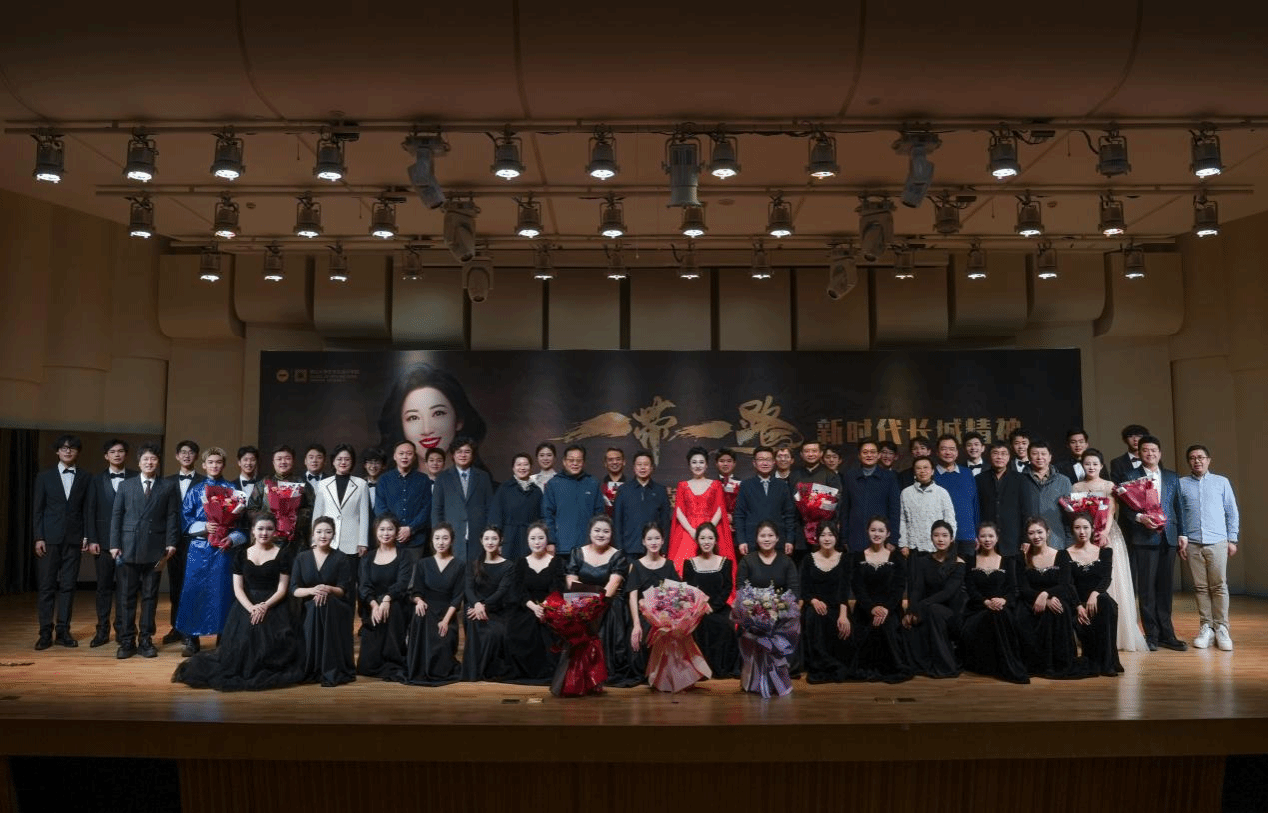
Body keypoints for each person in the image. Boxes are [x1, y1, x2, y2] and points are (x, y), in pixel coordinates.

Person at [172, 514, 304, 691]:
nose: (264, 533)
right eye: (260, 529)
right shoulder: (242, 554)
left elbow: (282, 589)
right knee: (240, 648)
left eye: (269, 529)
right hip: (247, 605)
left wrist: (264, 606)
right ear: (253, 531)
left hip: (273, 604)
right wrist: (251, 608)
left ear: (275, 532)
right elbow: (238, 588)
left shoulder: (283, 554)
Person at [1070, 449, 1148, 652]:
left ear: (1101, 466)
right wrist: (1086, 533)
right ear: (1083, 465)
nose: (1091, 467)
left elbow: (1111, 511)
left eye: (1095, 464)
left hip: (1107, 535)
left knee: (1111, 579)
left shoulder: (1108, 485)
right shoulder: (1076, 486)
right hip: (1084, 535)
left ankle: (1117, 634)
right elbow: (1077, 514)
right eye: (1087, 464)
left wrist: (1103, 533)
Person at [109, 444, 181, 659]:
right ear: (139, 462)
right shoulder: (126, 485)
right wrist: (114, 544)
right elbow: (117, 516)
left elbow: (172, 516)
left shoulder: (167, 486)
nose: (149, 462)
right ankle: (127, 640)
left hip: (155, 548)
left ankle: (146, 640)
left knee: (150, 597)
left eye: (153, 459)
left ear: (158, 462)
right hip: (128, 547)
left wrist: (171, 542)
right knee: (126, 597)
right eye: (145, 459)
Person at [1119, 435, 1186, 652]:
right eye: (1146, 450)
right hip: (1144, 537)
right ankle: (1152, 635)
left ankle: (1168, 634)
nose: (1150, 454)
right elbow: (1126, 510)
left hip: (1169, 537)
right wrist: (1141, 518)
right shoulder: (1130, 476)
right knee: (1147, 589)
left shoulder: (1172, 476)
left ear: (1160, 453)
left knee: (1165, 589)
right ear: (1139, 453)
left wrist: (1183, 534)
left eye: (1154, 450)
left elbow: (1178, 507)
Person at [176, 447, 245, 657]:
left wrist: (231, 538)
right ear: (204, 465)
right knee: (193, 591)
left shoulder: (234, 490)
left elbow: (242, 524)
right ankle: (191, 639)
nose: (215, 465)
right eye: (211, 462)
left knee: (223, 592)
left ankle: (224, 639)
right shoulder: (196, 490)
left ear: (224, 465)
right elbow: (185, 518)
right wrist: (204, 527)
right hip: (198, 548)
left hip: (223, 548)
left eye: (218, 462)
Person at [1178, 444, 1240, 651]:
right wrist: (1182, 540)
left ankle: (1222, 627)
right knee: (1201, 587)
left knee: (1219, 586)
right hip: (1193, 543)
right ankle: (1206, 627)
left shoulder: (1222, 482)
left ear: (1208, 460)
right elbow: (1179, 515)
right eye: (1193, 458)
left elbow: (1231, 511)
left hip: (1218, 541)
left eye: (1201, 457)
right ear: (1189, 462)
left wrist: (1232, 539)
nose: (1197, 461)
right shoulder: (1181, 484)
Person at [377, 362, 488, 473]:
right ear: (401, 426)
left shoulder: (483, 481)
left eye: (438, 413)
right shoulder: (389, 481)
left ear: (459, 420)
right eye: (413, 418)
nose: (427, 430)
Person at [564, 514, 633, 686]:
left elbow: (613, 584)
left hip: (608, 604)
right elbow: (571, 581)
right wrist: (584, 603)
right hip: (581, 602)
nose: (601, 534)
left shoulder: (618, 555)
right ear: (590, 532)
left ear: (611, 534)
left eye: (606, 531)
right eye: (597, 530)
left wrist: (595, 605)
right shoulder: (577, 552)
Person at [1015, 517, 1087, 679]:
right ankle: (1036, 663)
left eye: (1039, 532)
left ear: (1048, 533)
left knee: (1058, 610)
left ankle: (1056, 663)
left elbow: (1065, 585)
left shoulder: (1061, 555)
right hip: (1030, 601)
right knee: (1022, 616)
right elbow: (1023, 588)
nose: (1036, 536)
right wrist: (1041, 599)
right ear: (1027, 535)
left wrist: (1045, 595)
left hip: (1056, 597)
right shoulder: (1022, 557)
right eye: (1031, 533)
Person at [960, 522, 1029, 684]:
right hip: (977, 610)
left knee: (999, 614)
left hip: (1001, 608)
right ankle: (1002, 666)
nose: (987, 539)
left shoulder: (1007, 561)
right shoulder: (970, 560)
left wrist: (1003, 600)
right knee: (995, 615)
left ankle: (1007, 666)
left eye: (991, 536)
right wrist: (985, 602)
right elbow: (970, 589)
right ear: (978, 538)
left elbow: (1013, 590)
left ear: (997, 538)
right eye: (983, 536)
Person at [290, 517, 355, 687]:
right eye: (319, 532)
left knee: (324, 604)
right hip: (307, 605)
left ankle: (329, 666)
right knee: (315, 606)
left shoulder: (341, 557)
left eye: (328, 532)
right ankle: (313, 666)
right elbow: (294, 589)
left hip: (335, 605)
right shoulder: (302, 557)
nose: (323, 535)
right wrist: (313, 591)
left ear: (334, 534)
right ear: (313, 534)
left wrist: (327, 589)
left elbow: (343, 590)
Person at [84, 439, 136, 648]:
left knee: (126, 590)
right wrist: (92, 539)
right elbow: (90, 510)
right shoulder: (96, 480)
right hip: (103, 543)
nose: (117, 454)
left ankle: (123, 631)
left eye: (121, 451)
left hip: (129, 543)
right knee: (103, 589)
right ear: (106, 456)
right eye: (112, 452)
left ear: (126, 454)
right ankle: (102, 631)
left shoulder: (136, 477)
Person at [849, 518, 912, 683]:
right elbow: (857, 587)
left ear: (888, 534)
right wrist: (871, 608)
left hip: (890, 608)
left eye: (881, 531)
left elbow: (899, 588)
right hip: (865, 608)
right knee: (868, 626)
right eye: (873, 530)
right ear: (867, 532)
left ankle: (890, 666)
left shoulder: (897, 557)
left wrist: (886, 608)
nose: (876, 534)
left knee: (887, 625)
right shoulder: (857, 557)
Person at [902, 520, 965, 678]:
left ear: (951, 539)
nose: (940, 539)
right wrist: (911, 611)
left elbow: (947, 593)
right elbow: (917, 589)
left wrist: (921, 606)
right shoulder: (923, 561)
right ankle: (922, 664)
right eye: (936, 535)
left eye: (944, 535)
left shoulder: (959, 564)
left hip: (951, 613)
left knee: (933, 610)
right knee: (915, 616)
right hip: (928, 608)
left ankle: (946, 666)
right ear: (931, 538)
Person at [506, 522, 566, 684]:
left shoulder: (557, 562)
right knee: (519, 630)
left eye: (540, 538)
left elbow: (557, 589)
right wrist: (534, 607)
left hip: (550, 607)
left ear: (547, 540)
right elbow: (518, 590)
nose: (537, 542)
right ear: (528, 541)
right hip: (526, 607)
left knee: (550, 633)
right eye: (533, 538)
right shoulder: (520, 563)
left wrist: (544, 606)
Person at [1064, 514, 1122, 676]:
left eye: (1085, 527)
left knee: (1106, 602)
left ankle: (1108, 663)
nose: (1082, 532)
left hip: (1098, 599)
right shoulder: (1065, 554)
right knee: (1102, 603)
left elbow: (1106, 578)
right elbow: (1068, 584)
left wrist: (1094, 594)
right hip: (1076, 602)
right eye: (1077, 528)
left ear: (1092, 529)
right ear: (1072, 530)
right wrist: (1078, 606)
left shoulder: (1105, 552)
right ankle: (1096, 660)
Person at [405, 523, 464, 686]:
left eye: (445, 538)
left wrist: (445, 621)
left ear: (451, 541)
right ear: (432, 541)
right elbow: (416, 591)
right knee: (419, 617)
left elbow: (457, 598)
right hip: (427, 608)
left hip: (447, 611)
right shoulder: (423, 563)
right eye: (437, 538)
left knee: (443, 639)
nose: (441, 542)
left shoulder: (459, 565)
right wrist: (418, 601)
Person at [624, 523, 680, 687]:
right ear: (643, 542)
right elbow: (632, 596)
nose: (653, 542)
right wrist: (636, 624)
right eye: (649, 539)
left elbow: (678, 593)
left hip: (666, 615)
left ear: (662, 541)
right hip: (645, 615)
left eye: (657, 538)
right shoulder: (636, 565)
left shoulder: (669, 565)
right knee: (642, 635)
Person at [357, 514, 411, 681]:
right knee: (366, 666)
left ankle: (394, 658)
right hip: (373, 605)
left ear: (396, 532)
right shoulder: (367, 557)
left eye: (390, 529)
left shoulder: (404, 555)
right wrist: (374, 604)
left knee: (394, 609)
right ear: (376, 532)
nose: (386, 533)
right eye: (382, 529)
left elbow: (402, 583)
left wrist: (387, 599)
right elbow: (364, 585)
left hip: (395, 603)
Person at [163, 439, 206, 647]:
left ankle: (190, 630)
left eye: (191, 452)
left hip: (196, 541)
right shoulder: (166, 481)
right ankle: (176, 627)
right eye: (183, 452)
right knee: (175, 585)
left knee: (192, 586)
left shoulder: (204, 481)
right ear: (177, 456)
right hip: (173, 541)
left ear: (196, 456)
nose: (187, 455)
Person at [682, 522, 739, 679]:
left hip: (718, 607)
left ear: (715, 540)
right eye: (702, 538)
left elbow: (727, 587)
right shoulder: (689, 563)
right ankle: (700, 670)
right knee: (699, 625)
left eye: (710, 538)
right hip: (697, 608)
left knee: (724, 625)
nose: (706, 542)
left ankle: (722, 667)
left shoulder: (725, 562)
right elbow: (688, 589)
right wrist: (700, 606)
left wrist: (713, 606)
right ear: (697, 540)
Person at [798, 523, 853, 683]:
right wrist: (814, 600)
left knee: (841, 623)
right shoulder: (808, 559)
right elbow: (804, 588)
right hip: (815, 605)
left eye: (830, 535)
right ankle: (820, 665)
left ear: (836, 537)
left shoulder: (845, 559)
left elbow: (844, 590)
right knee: (814, 617)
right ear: (817, 538)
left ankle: (837, 664)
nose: (827, 539)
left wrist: (843, 615)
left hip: (838, 605)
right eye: (823, 535)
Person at [669, 446, 735, 577]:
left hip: (711, 528)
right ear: (689, 465)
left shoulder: (715, 484)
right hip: (688, 530)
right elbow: (679, 511)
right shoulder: (682, 485)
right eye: (694, 462)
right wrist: (691, 530)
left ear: (706, 465)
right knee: (682, 568)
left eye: (701, 462)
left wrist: (708, 530)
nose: (698, 465)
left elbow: (720, 509)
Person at [461, 527, 515, 682]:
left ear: (500, 540)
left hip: (496, 610)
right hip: (474, 608)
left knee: (494, 633)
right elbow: (468, 589)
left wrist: (483, 606)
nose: (490, 542)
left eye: (494, 539)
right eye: (486, 539)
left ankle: (486, 669)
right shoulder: (473, 564)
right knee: (473, 620)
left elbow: (501, 591)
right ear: (481, 541)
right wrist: (477, 604)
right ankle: (473, 670)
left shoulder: (508, 566)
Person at [430, 437, 494, 563]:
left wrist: (489, 535)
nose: (463, 455)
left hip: (478, 535)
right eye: (459, 452)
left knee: (477, 571)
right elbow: (437, 510)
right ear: (453, 455)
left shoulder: (483, 477)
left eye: (467, 451)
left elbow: (490, 508)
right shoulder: (442, 478)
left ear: (473, 455)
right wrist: (438, 537)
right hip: (452, 536)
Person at [245, 444, 314, 548]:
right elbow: (251, 509)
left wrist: (295, 517)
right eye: (279, 459)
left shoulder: (303, 484)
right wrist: (270, 517)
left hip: (296, 541)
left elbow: (313, 509)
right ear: (273, 462)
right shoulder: (263, 483)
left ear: (293, 461)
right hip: (268, 538)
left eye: (287, 458)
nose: (283, 462)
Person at [732, 446, 796, 557]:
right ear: (754, 463)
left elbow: (789, 515)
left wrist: (789, 539)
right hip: (751, 540)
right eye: (761, 459)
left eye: (768, 460)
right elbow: (739, 515)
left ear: (774, 462)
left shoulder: (782, 486)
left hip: (778, 541)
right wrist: (741, 540)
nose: (765, 463)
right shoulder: (746, 485)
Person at [840, 440, 902, 553]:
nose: (869, 455)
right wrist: (844, 537)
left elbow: (895, 510)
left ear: (879, 455)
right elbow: (845, 509)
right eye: (865, 452)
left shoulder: (889, 477)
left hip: (881, 537)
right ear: (859, 455)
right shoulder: (850, 476)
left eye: (873, 452)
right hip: (855, 536)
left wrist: (893, 539)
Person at [311, 443, 370, 561]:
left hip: (352, 542)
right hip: (327, 540)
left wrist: (363, 542)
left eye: (347, 459)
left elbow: (364, 515)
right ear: (333, 461)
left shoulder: (361, 484)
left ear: (352, 462)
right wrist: (314, 540)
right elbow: (317, 514)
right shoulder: (323, 484)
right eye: (339, 459)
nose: (343, 462)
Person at [373, 440, 431, 560]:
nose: (405, 457)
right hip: (390, 539)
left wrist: (410, 529)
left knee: (413, 572)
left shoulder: (423, 480)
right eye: (401, 453)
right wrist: (395, 529)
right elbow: (380, 508)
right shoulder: (384, 480)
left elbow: (427, 508)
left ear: (414, 457)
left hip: (416, 540)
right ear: (395, 456)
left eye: (409, 453)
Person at [543, 445, 604, 555]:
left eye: (578, 460)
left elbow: (599, 515)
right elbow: (547, 515)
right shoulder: (553, 484)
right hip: (561, 546)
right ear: (564, 461)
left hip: (588, 546)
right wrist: (550, 541)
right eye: (571, 460)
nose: (575, 463)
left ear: (583, 462)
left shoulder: (593, 483)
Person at [788, 439, 843, 557]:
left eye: (814, 451)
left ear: (821, 453)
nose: (811, 454)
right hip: (799, 530)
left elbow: (836, 504)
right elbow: (790, 504)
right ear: (801, 454)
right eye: (807, 451)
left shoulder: (830, 475)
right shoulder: (794, 475)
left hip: (824, 531)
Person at [898, 457, 956, 569]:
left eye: (926, 467)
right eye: (918, 468)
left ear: (932, 471)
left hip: (938, 547)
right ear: (914, 472)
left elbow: (950, 520)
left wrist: (948, 542)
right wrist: (903, 544)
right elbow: (903, 520)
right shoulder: (906, 493)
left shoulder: (942, 493)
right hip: (914, 547)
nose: (922, 471)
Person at [612, 449, 671, 557]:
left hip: (654, 549)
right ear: (634, 468)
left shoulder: (660, 491)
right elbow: (617, 522)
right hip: (629, 549)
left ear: (652, 467)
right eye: (639, 465)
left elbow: (665, 523)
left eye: (646, 464)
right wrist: (619, 550)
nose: (642, 468)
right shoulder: (623, 490)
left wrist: (664, 550)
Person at [488, 452, 544, 560]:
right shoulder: (504, 488)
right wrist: (496, 541)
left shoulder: (536, 491)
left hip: (530, 540)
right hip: (509, 539)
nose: (522, 468)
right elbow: (495, 516)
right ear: (513, 468)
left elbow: (541, 519)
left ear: (531, 467)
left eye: (526, 464)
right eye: (519, 465)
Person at [933, 434, 979, 564]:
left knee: (967, 573)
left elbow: (975, 504)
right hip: (941, 537)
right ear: (937, 452)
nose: (948, 452)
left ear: (957, 452)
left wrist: (976, 532)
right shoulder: (931, 475)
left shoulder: (967, 473)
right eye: (944, 449)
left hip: (967, 535)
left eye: (952, 449)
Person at [976, 440, 1026, 557]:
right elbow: (976, 510)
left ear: (1009, 457)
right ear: (989, 456)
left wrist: (1026, 539)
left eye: (1004, 453)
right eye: (995, 453)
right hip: (987, 539)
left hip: (1013, 539)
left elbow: (1026, 510)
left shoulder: (1020, 479)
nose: (999, 457)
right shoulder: (979, 479)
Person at [1019, 441, 1073, 550]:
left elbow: (1069, 515)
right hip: (1029, 542)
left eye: (1043, 454)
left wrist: (1069, 541)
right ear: (1029, 457)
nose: (1040, 457)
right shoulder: (1019, 480)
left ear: (1050, 457)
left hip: (1056, 540)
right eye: (1035, 454)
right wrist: (1023, 539)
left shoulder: (1063, 481)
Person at [736, 520, 800, 594]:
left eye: (771, 535)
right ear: (756, 539)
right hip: (752, 600)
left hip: (781, 600)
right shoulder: (747, 561)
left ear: (777, 538)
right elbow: (741, 588)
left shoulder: (787, 561)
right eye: (762, 536)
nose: (767, 539)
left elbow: (794, 588)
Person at [714, 448, 741, 527]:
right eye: (722, 461)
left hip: (736, 526)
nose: (725, 464)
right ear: (716, 463)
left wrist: (733, 518)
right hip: (716, 525)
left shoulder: (742, 484)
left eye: (729, 461)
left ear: (734, 463)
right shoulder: (711, 484)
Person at [599, 447, 626, 517]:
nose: (614, 462)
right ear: (605, 463)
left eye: (618, 459)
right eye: (610, 460)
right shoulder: (599, 486)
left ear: (624, 462)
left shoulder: (631, 485)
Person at [361, 447, 386, 512]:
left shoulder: (388, 486)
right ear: (365, 465)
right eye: (370, 462)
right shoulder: (359, 485)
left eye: (377, 462)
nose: (373, 466)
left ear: (383, 466)